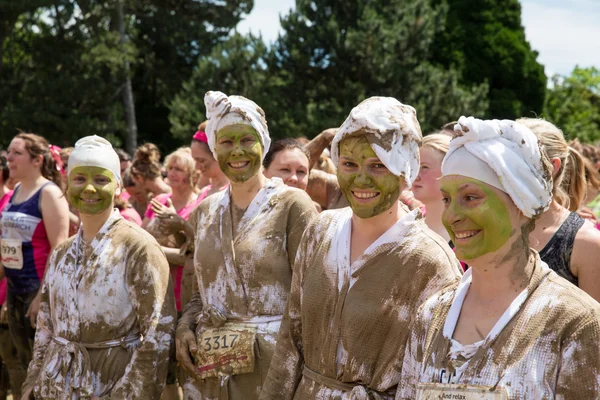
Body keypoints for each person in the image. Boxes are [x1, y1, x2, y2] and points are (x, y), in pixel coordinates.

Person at [260, 97, 462, 399]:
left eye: (378, 165)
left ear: (405, 169)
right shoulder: (321, 230)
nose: (361, 179)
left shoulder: (431, 261)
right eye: (350, 164)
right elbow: (291, 338)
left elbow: (429, 379)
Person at [397, 117, 600, 399]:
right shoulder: (431, 315)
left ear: (521, 204)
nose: (452, 216)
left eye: (471, 197)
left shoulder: (575, 322)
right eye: (447, 199)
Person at [175, 91, 317, 400]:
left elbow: (310, 299)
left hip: (273, 371)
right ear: (215, 147)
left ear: (262, 144)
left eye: (246, 140)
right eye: (227, 142)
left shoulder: (292, 205)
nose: (237, 151)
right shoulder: (206, 211)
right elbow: (201, 292)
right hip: (211, 372)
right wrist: (185, 327)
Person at [21, 135, 176, 399]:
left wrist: (129, 394)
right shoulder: (61, 252)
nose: (89, 189)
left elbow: (158, 336)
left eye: (101, 180)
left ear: (118, 187)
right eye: (80, 179)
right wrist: (32, 384)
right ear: (68, 185)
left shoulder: (138, 248)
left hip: (111, 384)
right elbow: (46, 329)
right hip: (56, 386)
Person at [1, 133, 70, 383]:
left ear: (37, 160)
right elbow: (9, 245)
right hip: (14, 289)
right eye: (9, 152)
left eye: (16, 153)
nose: (9, 158)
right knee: (21, 362)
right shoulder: (17, 189)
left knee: (41, 367)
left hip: (37, 290)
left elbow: (59, 248)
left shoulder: (49, 193)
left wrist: (43, 295)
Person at [518, 118, 600, 301]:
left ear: (553, 167)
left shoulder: (585, 243)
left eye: (518, 162)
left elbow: (593, 327)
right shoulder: (493, 226)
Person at [0, 155, 24, 400]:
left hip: (11, 289)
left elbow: (13, 254)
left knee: (13, 360)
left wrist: (8, 298)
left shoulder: (12, 202)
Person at [412, 133, 451, 242]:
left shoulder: (470, 229)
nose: (415, 175)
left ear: (449, 171)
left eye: (424, 167)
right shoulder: (407, 223)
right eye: (414, 167)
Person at [190, 125, 229, 196]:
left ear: (218, 156)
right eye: (195, 160)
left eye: (201, 160)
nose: (196, 167)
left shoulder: (231, 193)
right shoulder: (203, 193)